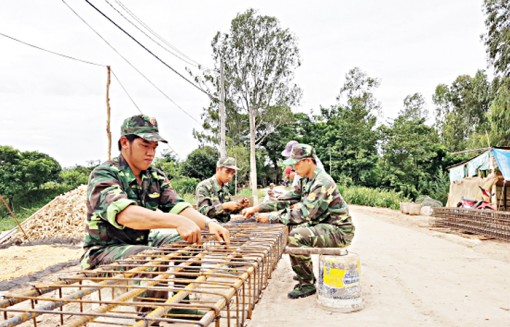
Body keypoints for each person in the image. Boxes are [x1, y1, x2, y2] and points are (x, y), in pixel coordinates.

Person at [81, 114, 230, 270]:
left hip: (141, 243)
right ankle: (153, 295)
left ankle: (183, 294)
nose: (151, 152)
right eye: (145, 145)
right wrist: (176, 221)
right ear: (125, 142)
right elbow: (125, 214)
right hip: (104, 252)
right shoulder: (104, 174)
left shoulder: (154, 176)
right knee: (152, 257)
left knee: (192, 240)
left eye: (154, 147)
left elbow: (178, 207)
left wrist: (210, 223)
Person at [242, 144, 355, 299]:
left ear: (308, 161)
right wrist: (258, 208)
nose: (294, 167)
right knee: (290, 228)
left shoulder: (322, 182)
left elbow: (303, 213)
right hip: (325, 225)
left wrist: (270, 218)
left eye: (296, 163)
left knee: (296, 236)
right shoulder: (306, 180)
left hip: (339, 231)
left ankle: (306, 283)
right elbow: (285, 200)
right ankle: (304, 271)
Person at [195, 157, 250, 223]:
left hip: (225, 226)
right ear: (218, 169)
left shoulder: (224, 188)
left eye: (232, 173)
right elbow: (203, 212)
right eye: (227, 171)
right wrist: (224, 206)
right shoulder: (204, 186)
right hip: (210, 228)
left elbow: (229, 210)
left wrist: (240, 206)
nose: (230, 176)